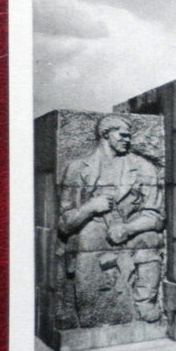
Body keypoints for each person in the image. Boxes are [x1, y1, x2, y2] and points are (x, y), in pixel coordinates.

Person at [57, 115, 165, 328]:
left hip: (130, 232)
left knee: (150, 237)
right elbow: (64, 223)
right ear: (105, 134)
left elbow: (155, 216)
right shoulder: (78, 169)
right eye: (122, 135)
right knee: (89, 236)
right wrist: (90, 208)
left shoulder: (143, 168)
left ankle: (144, 302)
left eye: (129, 136)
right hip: (92, 233)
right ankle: (92, 311)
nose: (127, 140)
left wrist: (128, 228)